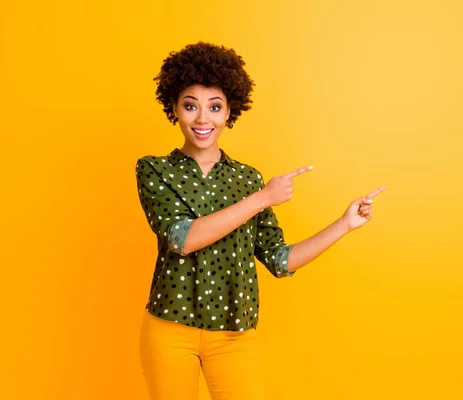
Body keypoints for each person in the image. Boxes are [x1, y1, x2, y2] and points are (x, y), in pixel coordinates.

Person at [135, 41, 386, 400]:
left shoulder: (247, 179)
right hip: (168, 329)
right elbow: (183, 238)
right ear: (174, 108)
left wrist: (343, 224)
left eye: (215, 107)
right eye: (191, 106)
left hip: (234, 334)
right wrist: (263, 199)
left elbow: (281, 262)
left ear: (229, 112)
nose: (203, 119)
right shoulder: (154, 169)